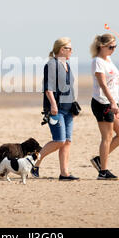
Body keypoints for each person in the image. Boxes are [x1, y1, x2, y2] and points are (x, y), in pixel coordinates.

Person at [31, 37, 79, 181]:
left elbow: (69, 86)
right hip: (56, 108)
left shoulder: (67, 65)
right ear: (61, 49)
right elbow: (48, 87)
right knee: (59, 140)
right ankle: (35, 162)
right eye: (69, 48)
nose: (71, 51)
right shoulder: (51, 64)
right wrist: (52, 104)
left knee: (68, 141)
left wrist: (74, 105)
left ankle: (64, 173)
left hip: (68, 108)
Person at [89, 33, 119, 180]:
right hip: (103, 103)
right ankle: (103, 171)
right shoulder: (98, 61)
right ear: (102, 46)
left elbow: (113, 80)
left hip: (112, 102)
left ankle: (99, 160)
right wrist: (112, 102)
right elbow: (102, 84)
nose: (113, 49)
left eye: (115, 47)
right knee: (107, 137)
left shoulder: (108, 59)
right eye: (111, 47)